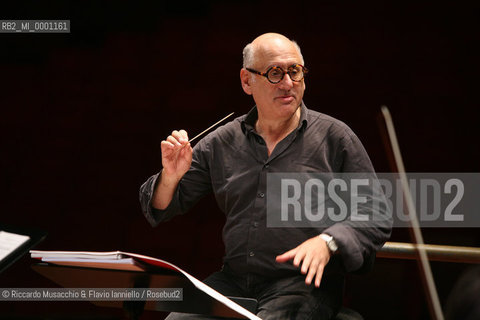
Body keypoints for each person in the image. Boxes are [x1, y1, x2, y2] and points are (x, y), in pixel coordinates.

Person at [139, 33, 392, 320]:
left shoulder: (335, 137)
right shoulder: (222, 141)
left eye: (295, 71)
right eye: (275, 73)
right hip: (234, 281)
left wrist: (327, 242)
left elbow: (376, 212)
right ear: (247, 81)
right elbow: (158, 206)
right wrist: (171, 177)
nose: (288, 83)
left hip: (303, 284)